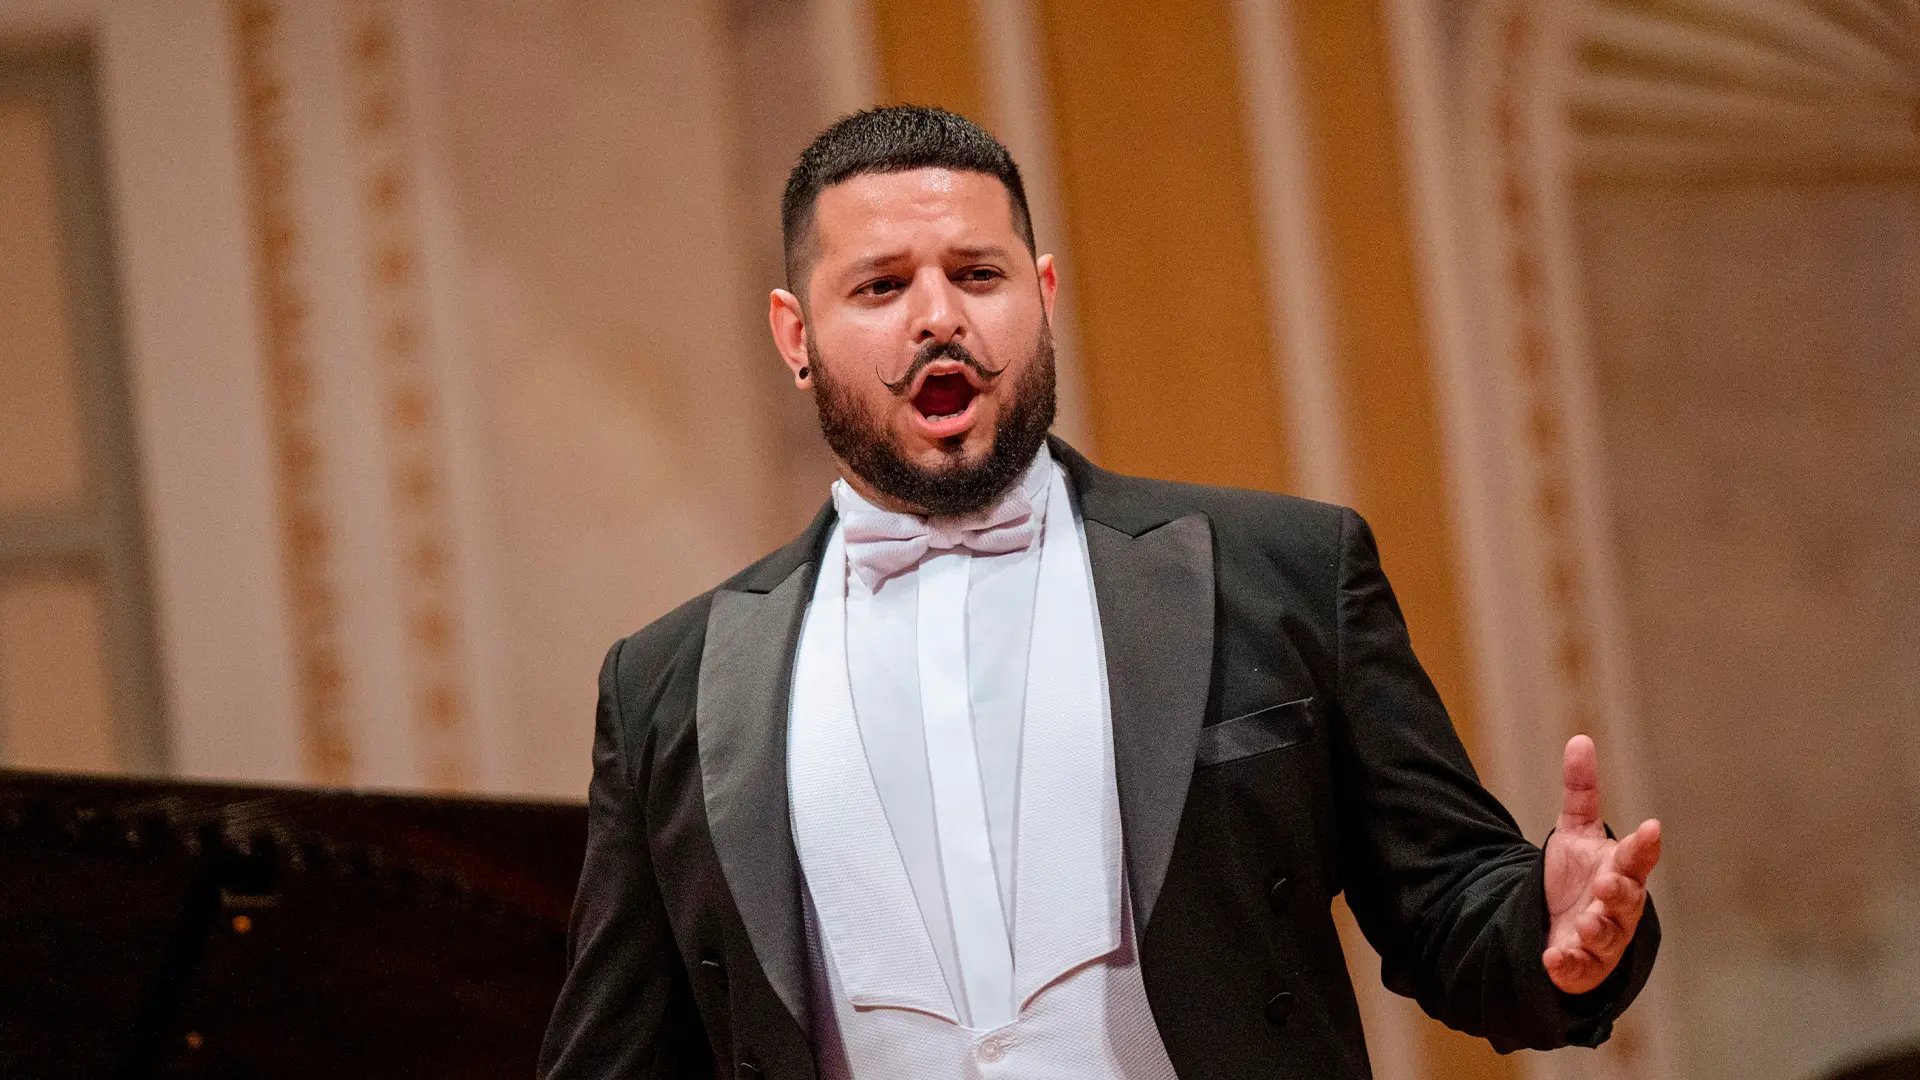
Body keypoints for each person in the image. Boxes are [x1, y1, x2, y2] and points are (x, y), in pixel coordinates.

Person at [537, 106, 1661, 1080]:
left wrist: (1551, 925)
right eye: (881, 287)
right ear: (796, 336)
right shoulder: (668, 686)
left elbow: (1447, 905)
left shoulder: (1281, 572)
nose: (938, 318)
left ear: (1043, 294)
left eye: (977, 275)